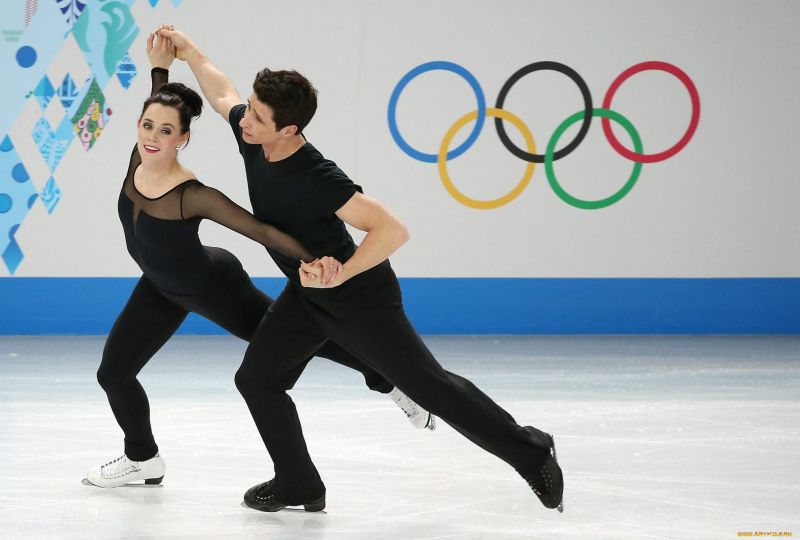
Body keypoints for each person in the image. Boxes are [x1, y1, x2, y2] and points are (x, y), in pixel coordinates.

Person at [161, 27, 564, 514]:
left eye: (258, 117)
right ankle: (298, 483)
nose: (245, 120)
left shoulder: (316, 175)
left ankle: (531, 451)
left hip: (360, 297)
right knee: (258, 380)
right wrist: (189, 53)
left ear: (290, 130)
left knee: (429, 385)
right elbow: (222, 92)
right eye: (251, 109)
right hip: (306, 295)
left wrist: (344, 272)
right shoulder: (254, 136)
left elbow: (391, 229)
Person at [83, 29, 433, 489]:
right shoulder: (140, 155)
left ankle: (388, 379)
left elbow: (262, 230)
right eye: (147, 126)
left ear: (183, 139)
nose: (152, 136)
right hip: (160, 287)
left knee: (305, 342)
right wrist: (162, 66)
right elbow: (164, 106)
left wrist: (317, 261)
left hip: (212, 286)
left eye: (166, 131)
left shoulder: (193, 194)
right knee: (113, 373)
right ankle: (142, 458)